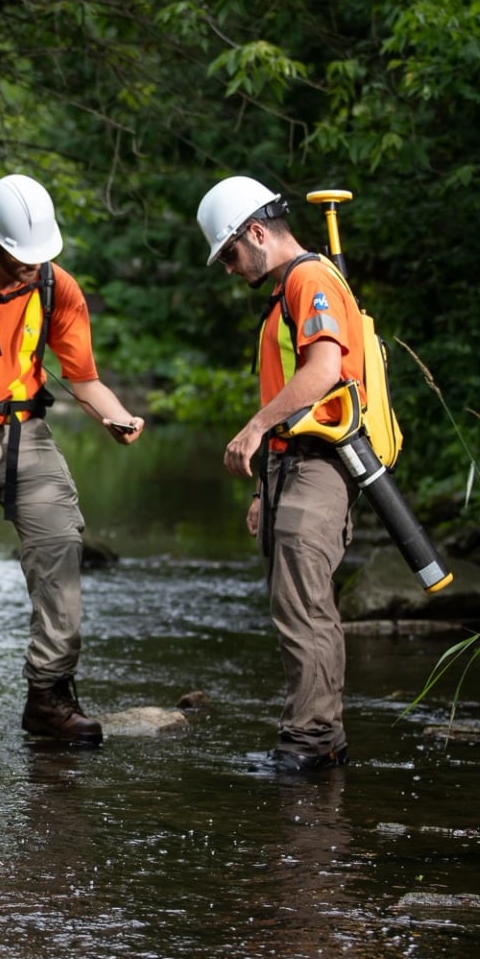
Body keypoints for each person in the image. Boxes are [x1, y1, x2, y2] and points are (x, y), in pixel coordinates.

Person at [0, 173, 144, 743]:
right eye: (19, 258)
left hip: (28, 436)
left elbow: (84, 379)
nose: (28, 268)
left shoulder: (55, 286)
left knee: (61, 552)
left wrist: (116, 417)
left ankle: (48, 696)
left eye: (36, 258)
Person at [196, 175, 365, 771]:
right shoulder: (286, 292)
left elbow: (322, 372)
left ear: (258, 232)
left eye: (230, 253)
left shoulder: (310, 280)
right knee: (294, 602)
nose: (228, 268)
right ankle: (315, 738)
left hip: (321, 467)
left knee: (304, 605)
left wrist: (252, 429)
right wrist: (267, 483)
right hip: (293, 468)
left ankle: (313, 741)